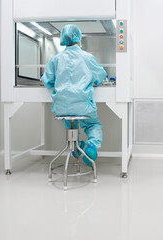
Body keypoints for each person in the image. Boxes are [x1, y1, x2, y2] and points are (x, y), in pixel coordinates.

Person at [41, 24, 107, 166]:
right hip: (82, 106)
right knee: (92, 124)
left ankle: (76, 148)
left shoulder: (55, 59)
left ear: (64, 39)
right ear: (78, 39)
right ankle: (90, 147)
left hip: (61, 108)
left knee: (71, 125)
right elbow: (100, 76)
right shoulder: (87, 57)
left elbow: (47, 81)